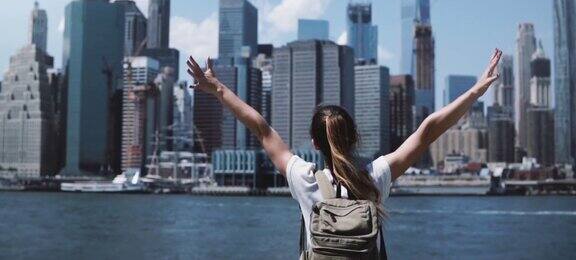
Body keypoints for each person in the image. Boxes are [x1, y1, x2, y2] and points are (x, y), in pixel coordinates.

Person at [186, 48, 502, 256]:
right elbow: (428, 131)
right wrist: (476, 91)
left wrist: (218, 89)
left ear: (314, 143)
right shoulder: (375, 179)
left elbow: (261, 128)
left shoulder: (303, 178)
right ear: (353, 139)